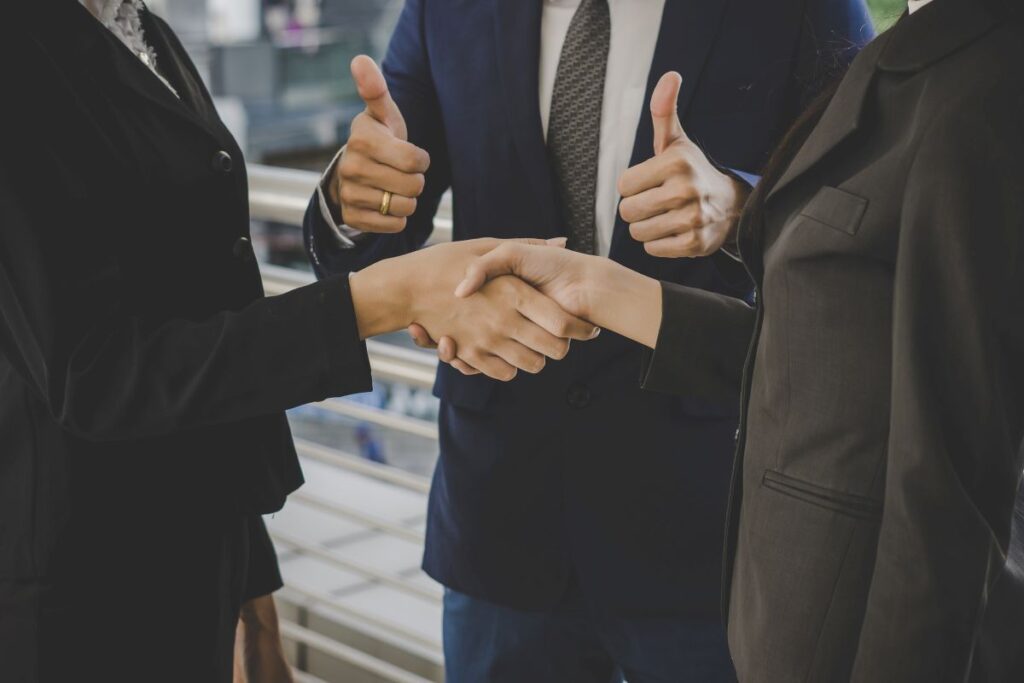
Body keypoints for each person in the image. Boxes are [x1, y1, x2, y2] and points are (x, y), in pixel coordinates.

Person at [0, 2, 595, 682]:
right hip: (82, 588)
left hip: (196, 558)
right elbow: (96, 373)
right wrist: (380, 298)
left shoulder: (137, 26)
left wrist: (253, 587)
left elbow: (196, 303)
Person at [444, 0, 1024, 679]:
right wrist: (603, 291)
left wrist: (737, 203)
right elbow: (844, 349)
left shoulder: (979, 82)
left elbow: (951, 484)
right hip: (507, 519)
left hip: (720, 543)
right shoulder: (915, 51)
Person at [304, 2, 873, 680]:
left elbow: (866, 225)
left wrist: (739, 208)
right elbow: (379, 234)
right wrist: (353, 199)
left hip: (709, 523)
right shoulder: (443, 9)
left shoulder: (804, 9)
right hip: (504, 516)